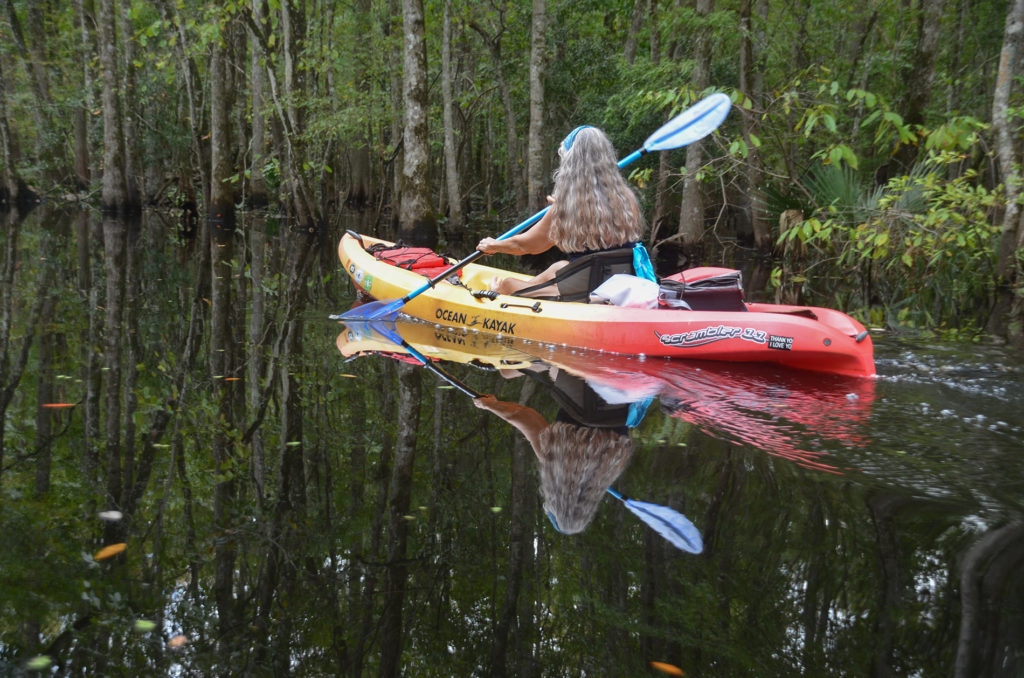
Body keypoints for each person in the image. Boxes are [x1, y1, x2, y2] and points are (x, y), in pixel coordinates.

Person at [473, 365, 651, 534]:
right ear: (555, 501)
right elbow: (522, 415)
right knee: (507, 372)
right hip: (586, 387)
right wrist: (491, 405)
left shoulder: (609, 468)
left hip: (625, 389)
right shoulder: (555, 463)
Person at [476, 126, 652, 297]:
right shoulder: (627, 199)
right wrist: (561, 208)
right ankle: (530, 288)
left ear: (570, 164)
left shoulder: (565, 208)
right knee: (558, 267)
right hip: (619, 282)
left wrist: (494, 245)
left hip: (587, 291)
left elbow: (527, 245)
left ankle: (500, 291)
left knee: (507, 284)